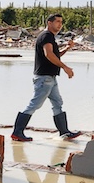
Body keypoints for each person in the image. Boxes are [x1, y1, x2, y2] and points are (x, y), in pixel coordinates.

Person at [11, 13, 82, 141]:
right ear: (49, 23)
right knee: (34, 104)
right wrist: (65, 67)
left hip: (50, 77)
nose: (60, 24)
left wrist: (67, 48)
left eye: (61, 22)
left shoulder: (49, 37)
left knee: (57, 103)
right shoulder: (46, 36)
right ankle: (17, 132)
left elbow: (55, 55)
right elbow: (49, 55)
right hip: (44, 78)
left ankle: (64, 132)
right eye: (57, 22)